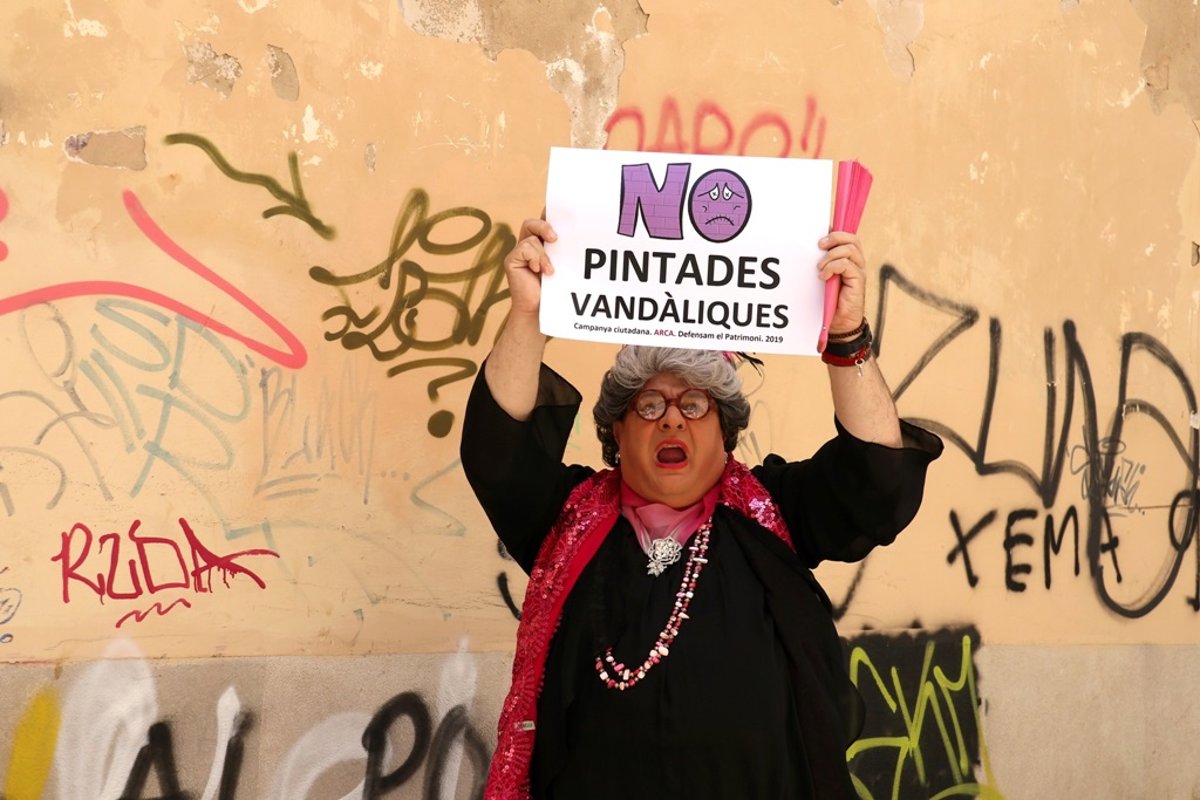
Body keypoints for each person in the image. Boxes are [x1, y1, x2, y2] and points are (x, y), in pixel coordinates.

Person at [461, 217, 943, 799]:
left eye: (694, 404)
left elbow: (878, 478)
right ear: (617, 431)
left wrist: (846, 337)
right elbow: (497, 453)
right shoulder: (567, 519)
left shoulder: (773, 511)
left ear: (725, 432)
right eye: (649, 405)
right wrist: (528, 314)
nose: (671, 419)